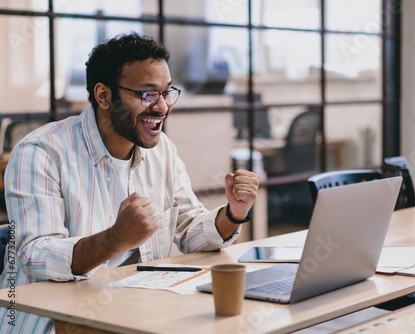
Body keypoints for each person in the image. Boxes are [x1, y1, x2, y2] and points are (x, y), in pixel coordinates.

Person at [0, 33, 259, 333]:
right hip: (56, 322)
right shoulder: (40, 152)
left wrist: (233, 213)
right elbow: (35, 256)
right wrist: (115, 239)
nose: (162, 107)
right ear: (104, 96)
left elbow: (190, 231)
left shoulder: (162, 151)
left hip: (138, 312)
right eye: (147, 94)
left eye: (166, 92)